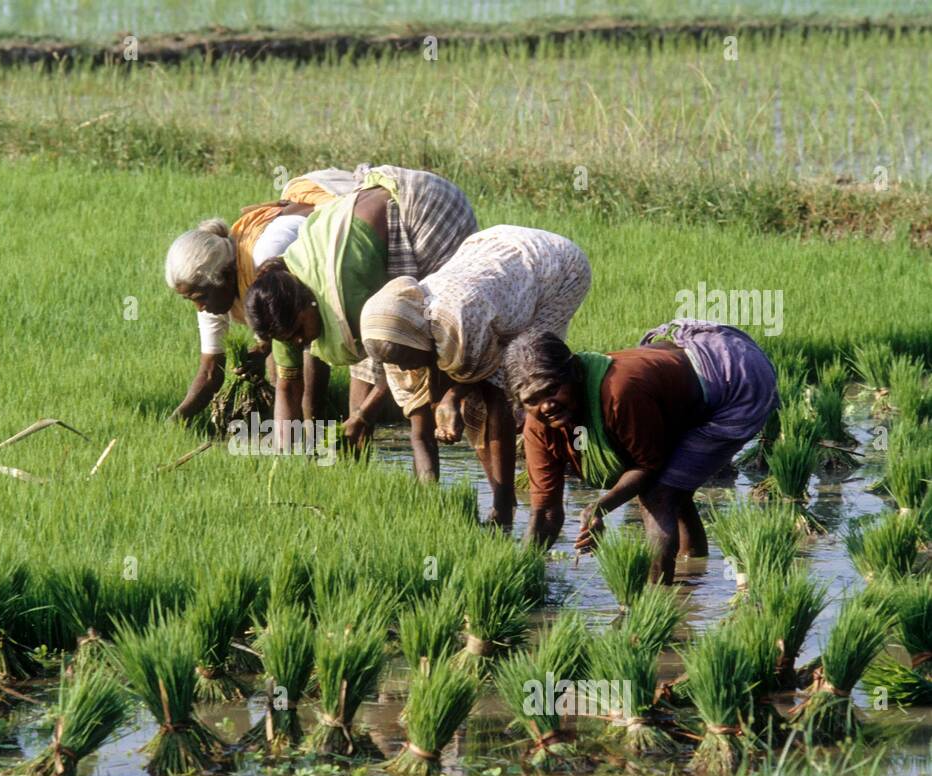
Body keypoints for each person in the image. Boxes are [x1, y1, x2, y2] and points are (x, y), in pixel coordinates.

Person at [506, 321, 779, 582]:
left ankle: (657, 598)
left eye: (552, 390)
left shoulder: (619, 393)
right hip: (675, 387)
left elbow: (649, 466)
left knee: (660, 494)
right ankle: (692, 576)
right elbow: (545, 513)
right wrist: (520, 573)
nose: (546, 406)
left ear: (575, 372)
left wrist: (601, 506)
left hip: (734, 377)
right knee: (674, 490)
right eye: (532, 400)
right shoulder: (539, 429)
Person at [358, 225, 591, 526]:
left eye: (405, 359)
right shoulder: (394, 338)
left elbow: (496, 401)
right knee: (470, 405)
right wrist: (430, 498)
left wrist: (453, 398)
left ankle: (527, 492)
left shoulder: (458, 318)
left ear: (419, 339)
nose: (403, 368)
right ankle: (504, 494)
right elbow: (419, 431)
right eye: (396, 363)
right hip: (493, 264)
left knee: (529, 377)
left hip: (554, 268)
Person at [244, 165, 477, 452]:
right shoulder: (282, 303)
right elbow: (287, 386)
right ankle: (361, 452)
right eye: (291, 339)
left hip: (429, 210)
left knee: (430, 333)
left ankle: (448, 425)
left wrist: (363, 415)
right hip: (370, 232)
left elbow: (396, 349)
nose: (299, 343)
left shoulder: (345, 288)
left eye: (298, 332)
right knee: (367, 362)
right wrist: (285, 457)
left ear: (308, 303)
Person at [164, 169, 362, 421]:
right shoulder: (211, 293)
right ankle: (288, 427)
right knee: (279, 344)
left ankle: (315, 422)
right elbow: (211, 371)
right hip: (294, 285)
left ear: (225, 275)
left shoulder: (266, 260)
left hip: (342, 242)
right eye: (190, 299)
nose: (199, 307)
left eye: (200, 297)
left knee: (301, 340)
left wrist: (310, 417)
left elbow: (310, 331)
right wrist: (175, 420)